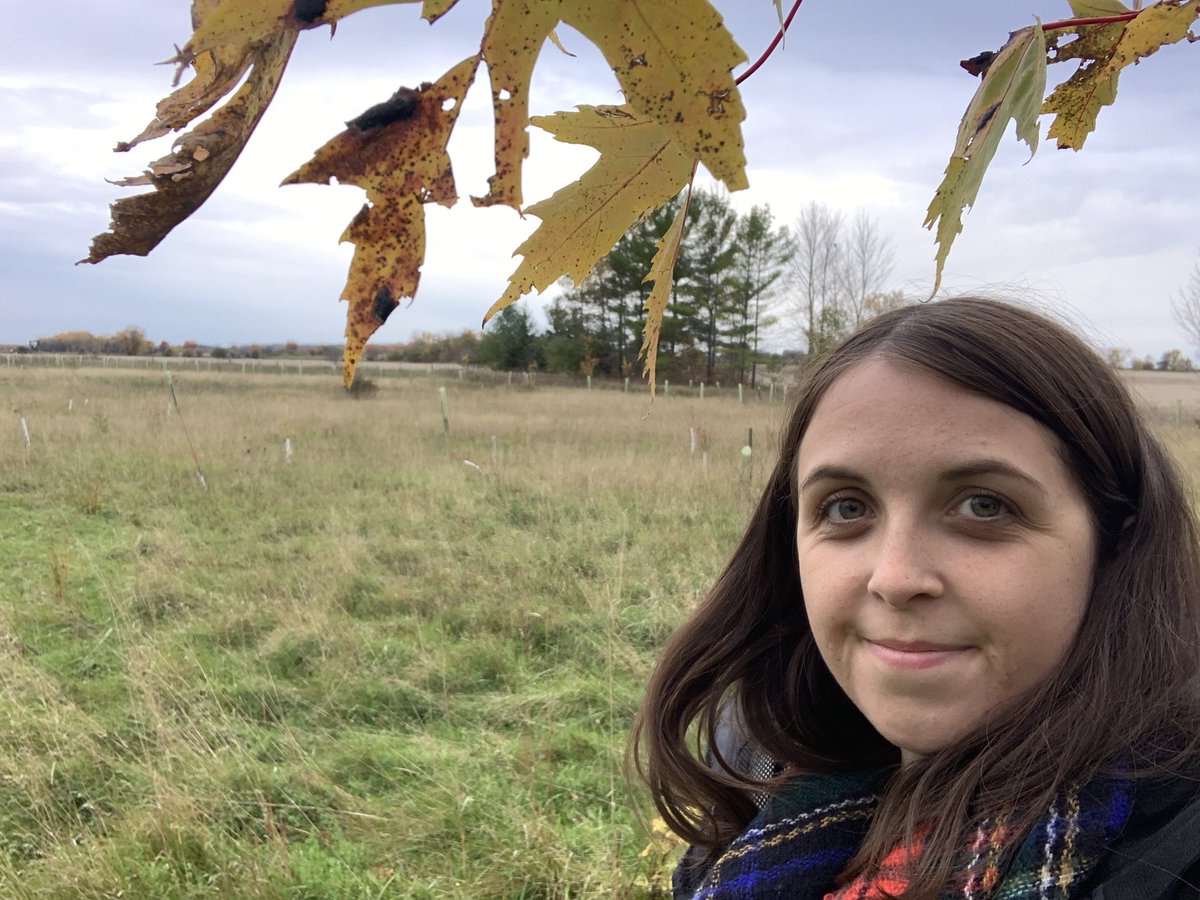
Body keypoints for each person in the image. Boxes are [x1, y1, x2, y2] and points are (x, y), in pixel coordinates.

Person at [631, 297, 1200, 899]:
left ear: (1114, 542)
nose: (895, 578)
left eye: (984, 505)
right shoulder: (756, 767)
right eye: (846, 508)